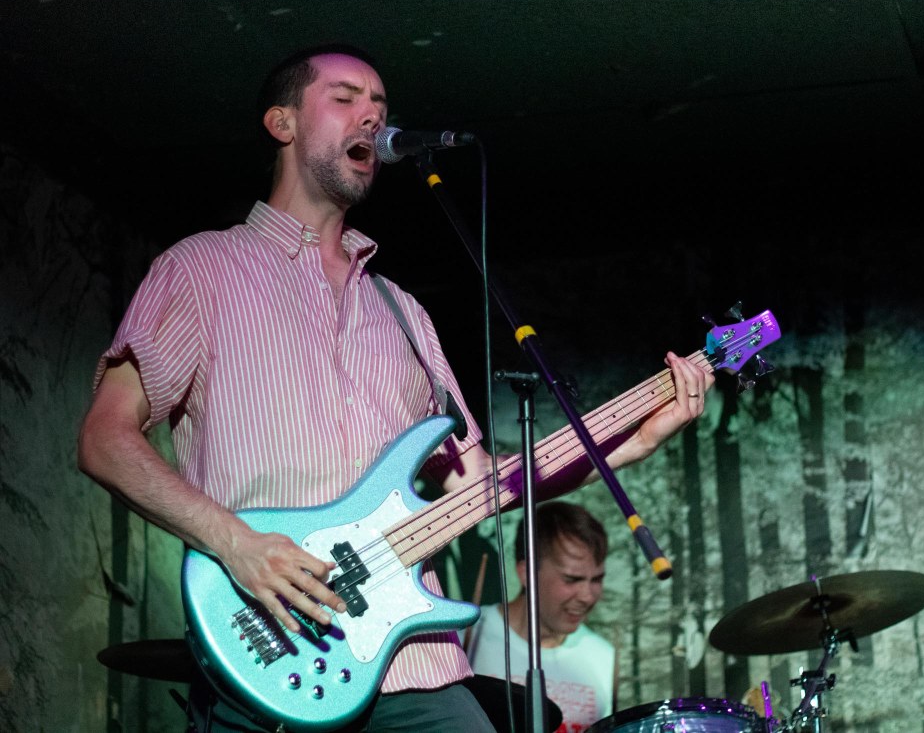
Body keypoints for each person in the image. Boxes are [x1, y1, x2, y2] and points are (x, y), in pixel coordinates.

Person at [76, 43, 715, 732]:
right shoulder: (201, 270)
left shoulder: (403, 312)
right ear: (282, 123)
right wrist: (237, 544)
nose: (372, 116)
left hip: (415, 665)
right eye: (345, 98)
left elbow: (481, 484)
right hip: (274, 651)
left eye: (380, 105)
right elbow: (105, 439)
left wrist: (632, 443)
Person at [465, 502, 614, 733]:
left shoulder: (602, 655)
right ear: (527, 573)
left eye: (597, 580)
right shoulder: (466, 636)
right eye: (572, 579)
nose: (587, 596)